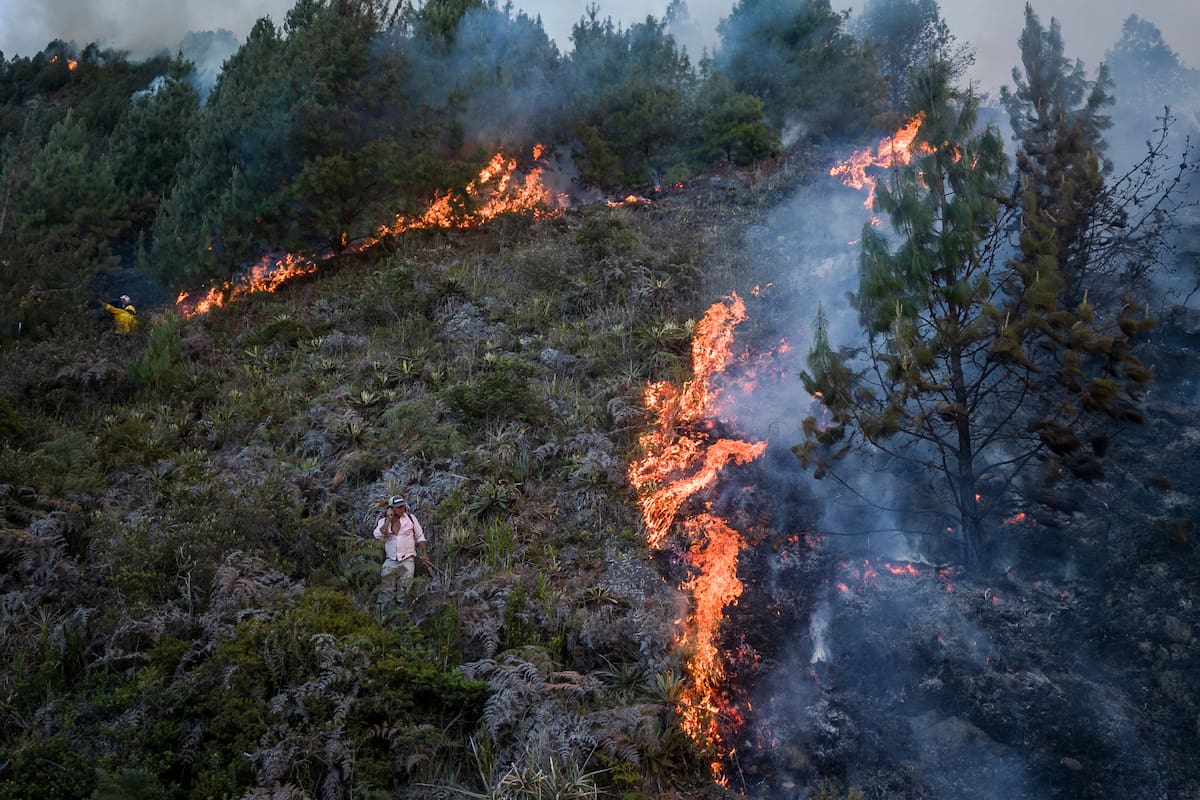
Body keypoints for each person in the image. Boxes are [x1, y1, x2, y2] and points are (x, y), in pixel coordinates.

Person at [373, 495, 430, 610]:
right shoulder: (383, 521)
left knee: (404, 592)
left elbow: (420, 536)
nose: (401, 509)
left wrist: (425, 554)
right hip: (391, 560)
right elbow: (378, 535)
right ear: (391, 508)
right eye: (398, 507)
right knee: (386, 591)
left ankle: (401, 617)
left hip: (407, 560)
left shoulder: (411, 518)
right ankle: (382, 615)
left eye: (402, 506)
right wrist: (389, 519)